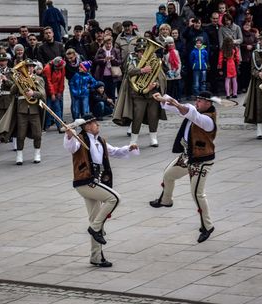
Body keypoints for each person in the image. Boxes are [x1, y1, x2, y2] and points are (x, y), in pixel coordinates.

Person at [63, 114, 139, 267]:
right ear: (87, 126)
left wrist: (128, 148)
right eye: (94, 123)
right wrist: (69, 135)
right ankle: (95, 228)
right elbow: (70, 147)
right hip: (86, 182)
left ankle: (96, 257)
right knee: (114, 198)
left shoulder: (100, 141)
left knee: (95, 218)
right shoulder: (80, 140)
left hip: (95, 181)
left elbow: (114, 151)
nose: (97, 125)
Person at [151, 91, 218, 243]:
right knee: (169, 174)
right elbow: (179, 109)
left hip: (201, 161)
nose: (197, 103)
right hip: (188, 156)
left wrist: (176, 104)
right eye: (197, 100)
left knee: (197, 194)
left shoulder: (207, 120)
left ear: (208, 103)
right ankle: (166, 200)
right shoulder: (196, 112)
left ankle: (207, 226)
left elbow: (190, 113)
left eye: (200, 101)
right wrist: (165, 99)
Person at [113, 43, 168, 147]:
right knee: (137, 117)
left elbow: (161, 76)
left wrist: (156, 84)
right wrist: (142, 70)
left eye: (144, 51)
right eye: (140, 52)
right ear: (136, 53)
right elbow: (128, 71)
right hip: (138, 94)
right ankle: (133, 141)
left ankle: (153, 138)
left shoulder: (153, 62)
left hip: (152, 94)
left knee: (153, 116)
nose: (142, 54)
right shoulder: (133, 61)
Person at [14, 59, 46, 165]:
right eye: (27, 66)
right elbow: (12, 91)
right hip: (22, 109)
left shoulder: (38, 79)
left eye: (31, 66)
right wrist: (17, 80)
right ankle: (19, 155)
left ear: (34, 68)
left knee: (37, 134)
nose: (29, 68)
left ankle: (37, 154)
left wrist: (33, 93)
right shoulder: (20, 78)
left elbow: (43, 94)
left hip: (34, 109)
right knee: (20, 134)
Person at [43, 56, 66, 132]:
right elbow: (48, 82)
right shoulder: (47, 68)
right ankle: (46, 125)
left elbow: (62, 80)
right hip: (48, 91)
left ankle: (60, 125)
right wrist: (52, 93)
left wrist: (60, 91)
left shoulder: (62, 67)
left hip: (56, 91)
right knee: (48, 108)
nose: (61, 69)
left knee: (57, 108)